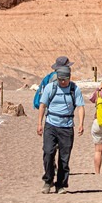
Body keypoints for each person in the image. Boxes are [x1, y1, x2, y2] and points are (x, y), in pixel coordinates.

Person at [37, 62, 84, 193]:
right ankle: (48, 181)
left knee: (64, 157)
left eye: (65, 79)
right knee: (48, 152)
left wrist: (81, 123)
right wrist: (39, 123)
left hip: (67, 127)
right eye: (60, 79)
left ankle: (61, 185)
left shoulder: (74, 89)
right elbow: (42, 105)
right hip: (51, 125)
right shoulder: (50, 88)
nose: (62, 82)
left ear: (69, 78)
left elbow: (80, 107)